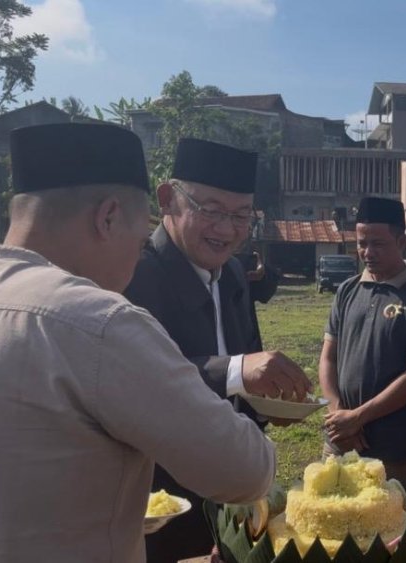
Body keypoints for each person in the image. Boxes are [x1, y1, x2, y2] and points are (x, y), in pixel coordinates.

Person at [0, 123, 275, 562]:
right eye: (141, 241)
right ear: (108, 218)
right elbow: (245, 469)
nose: (138, 259)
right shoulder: (100, 323)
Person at [123, 138, 310, 562]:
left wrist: (270, 404)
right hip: (166, 503)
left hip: (237, 496)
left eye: (242, 215)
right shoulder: (135, 274)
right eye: (210, 210)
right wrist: (237, 371)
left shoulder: (233, 277)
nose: (227, 230)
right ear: (168, 198)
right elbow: (136, 380)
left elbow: (248, 364)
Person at [318, 196, 406, 491]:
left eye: (378, 243)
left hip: (393, 450)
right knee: (330, 524)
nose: (367, 252)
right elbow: (328, 359)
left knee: (388, 531)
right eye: (362, 243)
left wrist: (358, 417)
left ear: (402, 240)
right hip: (340, 444)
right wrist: (340, 417)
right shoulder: (347, 291)